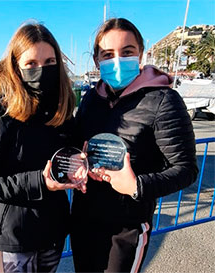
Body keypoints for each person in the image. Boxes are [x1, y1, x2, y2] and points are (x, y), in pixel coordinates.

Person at [71, 18, 199, 273]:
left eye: (127, 52)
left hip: (126, 226)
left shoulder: (163, 100)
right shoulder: (91, 99)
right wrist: (78, 158)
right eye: (108, 54)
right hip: (84, 219)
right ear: (97, 61)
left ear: (140, 54)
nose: (117, 60)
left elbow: (186, 169)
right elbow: (78, 144)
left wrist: (137, 186)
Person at [0, 22, 80, 273]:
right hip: (15, 239)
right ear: (16, 67)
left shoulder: (61, 113)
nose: (42, 70)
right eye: (31, 64)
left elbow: (69, 158)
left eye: (50, 62)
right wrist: (40, 181)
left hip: (54, 231)